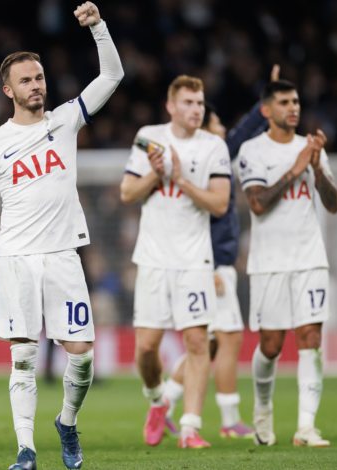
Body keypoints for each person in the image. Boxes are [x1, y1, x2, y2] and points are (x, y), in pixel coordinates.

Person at [0, 3, 123, 468]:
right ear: (9, 89)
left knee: (82, 355)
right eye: (27, 80)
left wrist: (97, 27)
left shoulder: (65, 120)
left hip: (62, 256)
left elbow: (112, 76)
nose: (37, 85)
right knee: (24, 359)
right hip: (15, 259)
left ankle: (67, 423)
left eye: (40, 77)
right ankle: (26, 450)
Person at [162, 65, 283, 439]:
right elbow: (246, 130)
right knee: (226, 340)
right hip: (211, 264)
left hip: (215, 262)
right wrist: (211, 265)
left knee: (212, 343)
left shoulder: (213, 156)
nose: (221, 131)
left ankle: (164, 401)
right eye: (216, 124)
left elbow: (244, 130)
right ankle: (229, 420)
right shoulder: (208, 156)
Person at [120, 75, 231, 449]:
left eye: (200, 103)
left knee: (199, 341)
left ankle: (189, 428)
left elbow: (220, 204)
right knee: (146, 349)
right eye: (189, 103)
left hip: (194, 260)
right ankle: (157, 401)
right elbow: (127, 193)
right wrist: (156, 170)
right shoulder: (149, 136)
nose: (196, 109)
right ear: (171, 106)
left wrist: (181, 179)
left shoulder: (214, 146)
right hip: (153, 258)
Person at [238, 79, 337, 447]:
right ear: (266, 110)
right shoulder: (252, 150)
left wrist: (316, 169)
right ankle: (262, 409)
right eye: (284, 102)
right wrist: (296, 169)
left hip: (310, 258)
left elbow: (333, 203)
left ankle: (306, 427)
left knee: (311, 339)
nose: (293, 107)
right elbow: (258, 204)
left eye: (296, 101)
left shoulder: (309, 147)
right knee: (271, 346)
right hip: (268, 264)